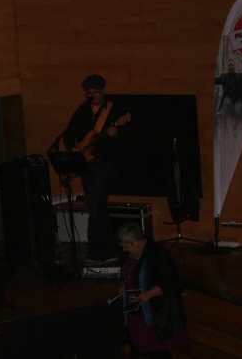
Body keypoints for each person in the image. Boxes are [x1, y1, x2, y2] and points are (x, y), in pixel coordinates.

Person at [61, 74, 130, 264]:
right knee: (97, 207)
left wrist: (116, 134)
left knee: (95, 204)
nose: (93, 96)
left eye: (97, 92)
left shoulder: (115, 111)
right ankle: (106, 251)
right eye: (89, 93)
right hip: (86, 166)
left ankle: (97, 250)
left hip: (106, 165)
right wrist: (73, 148)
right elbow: (68, 135)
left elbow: (127, 139)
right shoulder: (82, 110)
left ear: (104, 90)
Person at [116, 222, 191, 358]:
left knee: (154, 350)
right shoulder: (131, 254)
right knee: (138, 346)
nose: (124, 250)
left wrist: (150, 293)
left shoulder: (158, 255)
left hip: (153, 312)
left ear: (136, 243)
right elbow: (129, 273)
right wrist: (125, 286)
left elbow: (169, 281)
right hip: (134, 310)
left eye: (126, 247)